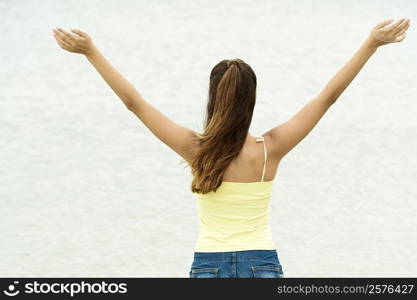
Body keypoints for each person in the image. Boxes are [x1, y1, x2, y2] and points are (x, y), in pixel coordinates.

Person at [52, 17, 410, 278]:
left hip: (209, 264)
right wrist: (371, 44)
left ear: (213, 97)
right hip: (262, 263)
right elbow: (328, 97)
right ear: (251, 100)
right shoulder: (271, 148)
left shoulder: (196, 149)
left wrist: (90, 51)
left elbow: (135, 104)